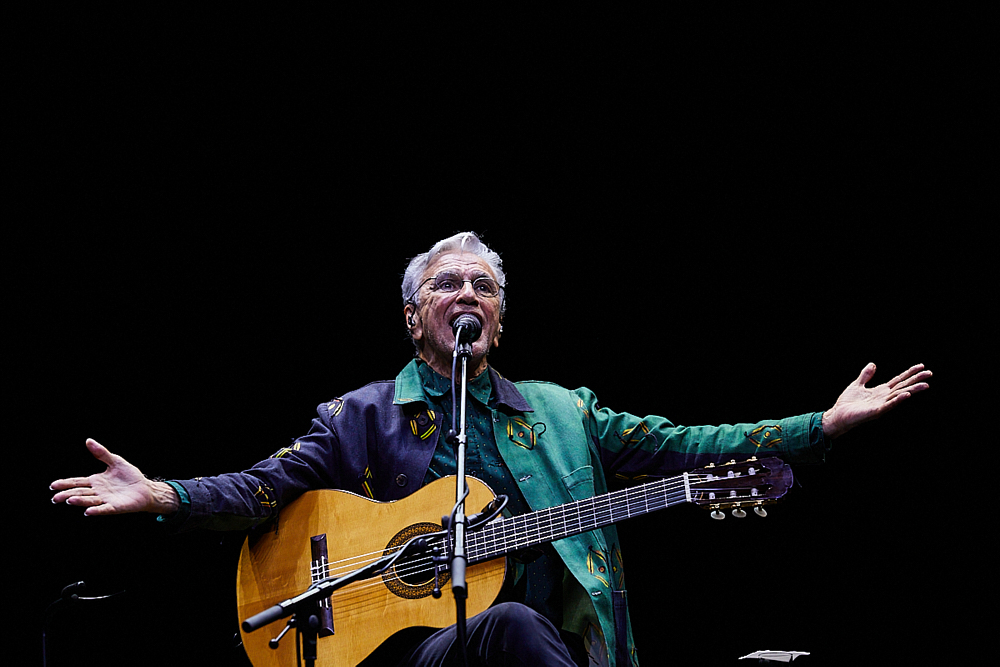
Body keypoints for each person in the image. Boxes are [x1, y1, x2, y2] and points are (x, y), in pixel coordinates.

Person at [50, 232, 931, 667]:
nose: (467, 291)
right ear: (413, 315)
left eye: (485, 285)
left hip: (546, 648)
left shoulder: (564, 412)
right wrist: (164, 493)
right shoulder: (358, 415)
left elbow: (683, 443)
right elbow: (262, 488)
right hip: (407, 655)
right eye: (447, 282)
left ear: (498, 322)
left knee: (520, 625)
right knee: (503, 623)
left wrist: (817, 425)